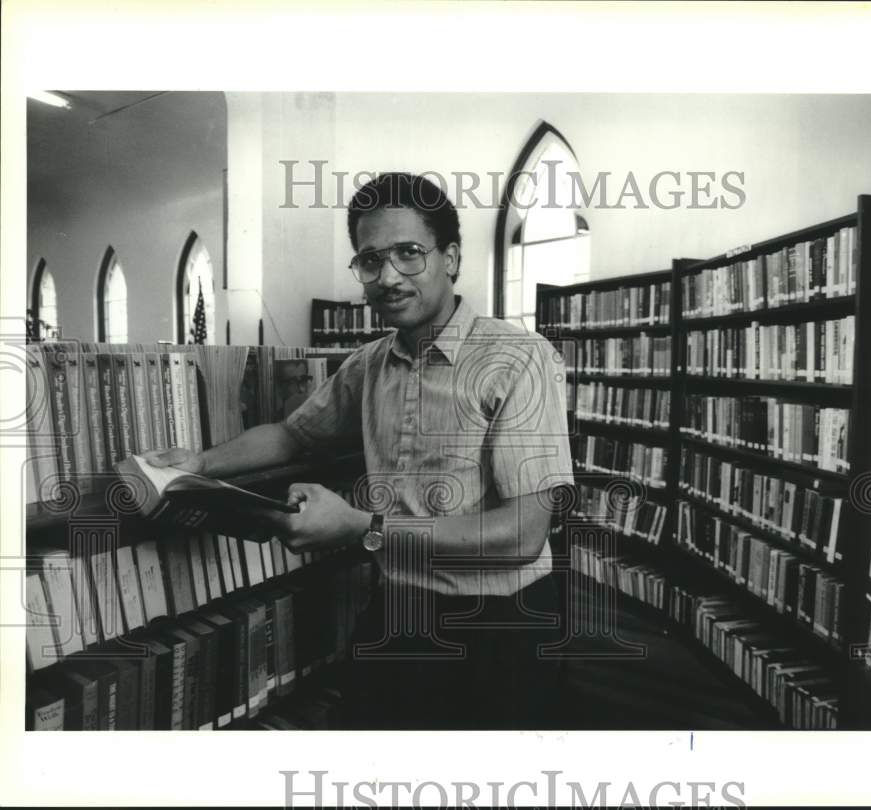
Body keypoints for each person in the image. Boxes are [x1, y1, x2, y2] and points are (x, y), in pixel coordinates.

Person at [147, 172, 574, 729]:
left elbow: (522, 534)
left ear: (451, 258)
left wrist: (361, 527)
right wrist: (200, 463)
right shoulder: (370, 363)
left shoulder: (520, 358)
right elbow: (294, 434)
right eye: (370, 260)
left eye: (408, 254)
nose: (388, 276)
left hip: (501, 625)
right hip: (398, 607)